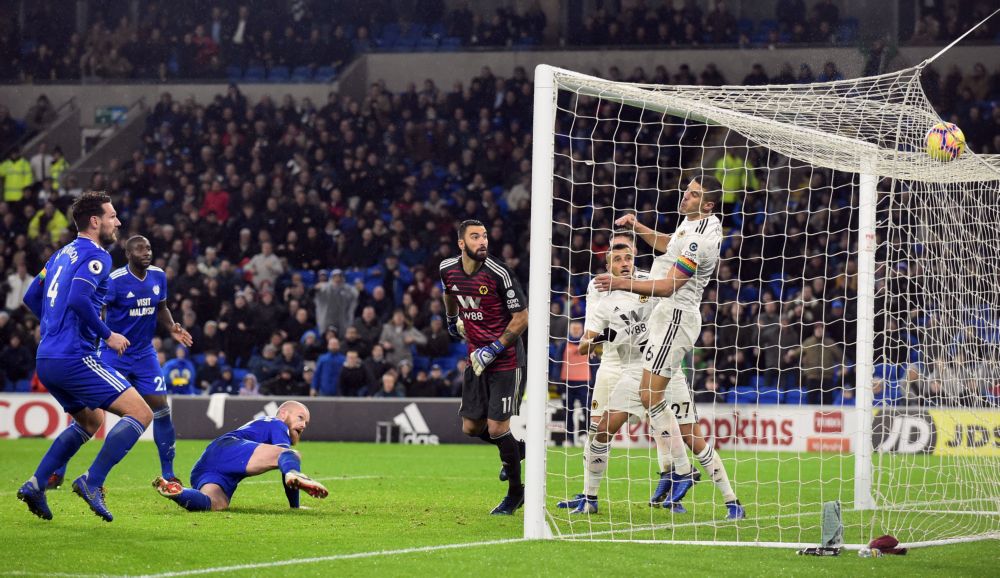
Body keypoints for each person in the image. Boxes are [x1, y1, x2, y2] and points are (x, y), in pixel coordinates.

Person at [595, 174, 744, 519]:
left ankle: (680, 471)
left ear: (708, 205)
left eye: (693, 195)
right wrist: (638, 225)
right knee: (683, 427)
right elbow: (667, 244)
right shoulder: (689, 226)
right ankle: (730, 500)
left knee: (650, 397)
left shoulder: (700, 241)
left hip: (674, 319)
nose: (685, 197)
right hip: (662, 326)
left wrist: (620, 281)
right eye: (686, 192)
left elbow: (669, 288)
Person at [16, 191, 151, 522]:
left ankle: (36, 484)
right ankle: (93, 481)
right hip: (74, 356)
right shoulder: (98, 255)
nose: (117, 222)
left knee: (91, 420)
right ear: (95, 221)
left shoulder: (60, 254)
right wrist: (108, 334)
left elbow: (31, 296)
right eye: (112, 216)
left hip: (47, 357)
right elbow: (78, 298)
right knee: (141, 414)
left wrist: (53, 325)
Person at [556, 235, 693, 514]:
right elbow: (591, 331)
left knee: (661, 422)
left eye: (628, 254)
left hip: (645, 360)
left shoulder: (648, 279)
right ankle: (587, 494)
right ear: (608, 260)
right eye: (616, 256)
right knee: (597, 427)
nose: (623, 261)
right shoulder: (597, 286)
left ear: (634, 255)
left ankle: (671, 485)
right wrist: (593, 341)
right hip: (611, 360)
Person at [47, 235, 194, 490]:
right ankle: (57, 471)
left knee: (161, 408)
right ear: (128, 254)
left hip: (145, 355)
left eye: (148, 247)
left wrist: (171, 327)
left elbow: (162, 307)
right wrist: (101, 337)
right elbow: (93, 310)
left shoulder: (158, 276)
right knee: (90, 413)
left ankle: (169, 474)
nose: (146, 252)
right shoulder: (114, 281)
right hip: (114, 354)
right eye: (140, 249)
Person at [439, 219, 528, 515]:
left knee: (497, 427)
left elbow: (521, 318)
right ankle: (516, 450)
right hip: (476, 359)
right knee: (470, 427)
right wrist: (452, 320)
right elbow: (449, 292)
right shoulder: (447, 269)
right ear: (461, 243)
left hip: (506, 360)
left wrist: (494, 347)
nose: (483, 242)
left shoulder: (499, 272)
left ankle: (516, 493)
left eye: (485, 236)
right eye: (475, 237)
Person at [152, 401, 328, 511]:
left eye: (307, 422)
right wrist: (294, 498)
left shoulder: (263, 425)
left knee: (215, 503)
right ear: (283, 414)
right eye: (300, 417)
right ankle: (295, 473)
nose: (303, 424)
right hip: (231, 447)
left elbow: (282, 462)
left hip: (205, 466)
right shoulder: (278, 424)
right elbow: (284, 457)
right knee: (291, 455)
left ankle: (178, 492)